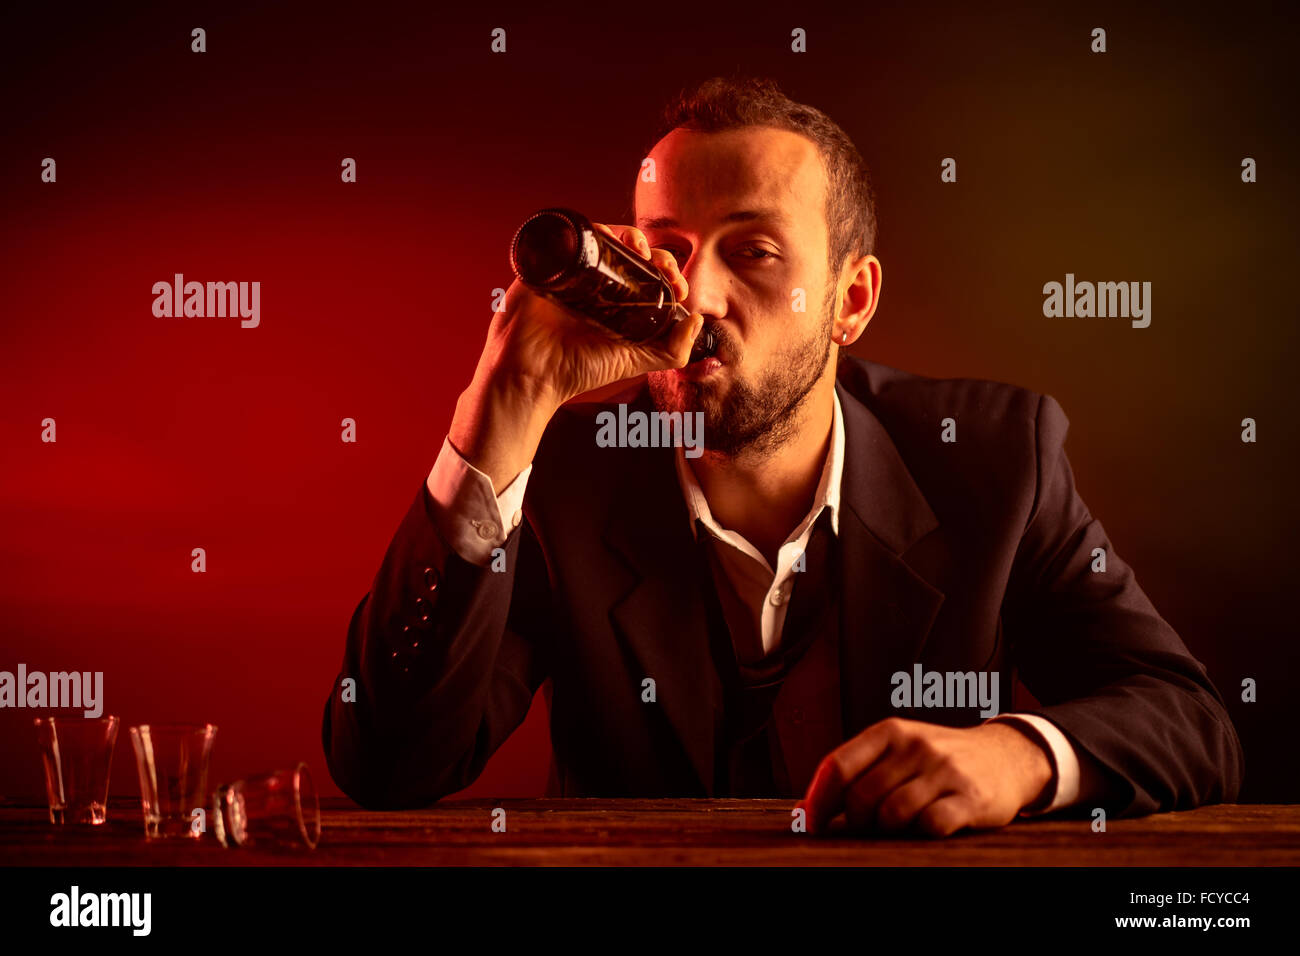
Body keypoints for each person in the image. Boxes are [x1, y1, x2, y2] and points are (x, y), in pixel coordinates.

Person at [322, 76, 1243, 837]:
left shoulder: (997, 459)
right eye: (668, 251)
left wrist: (1019, 755)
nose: (701, 295)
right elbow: (387, 765)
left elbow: (1194, 723)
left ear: (851, 299)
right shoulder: (558, 475)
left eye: (754, 250)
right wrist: (493, 417)